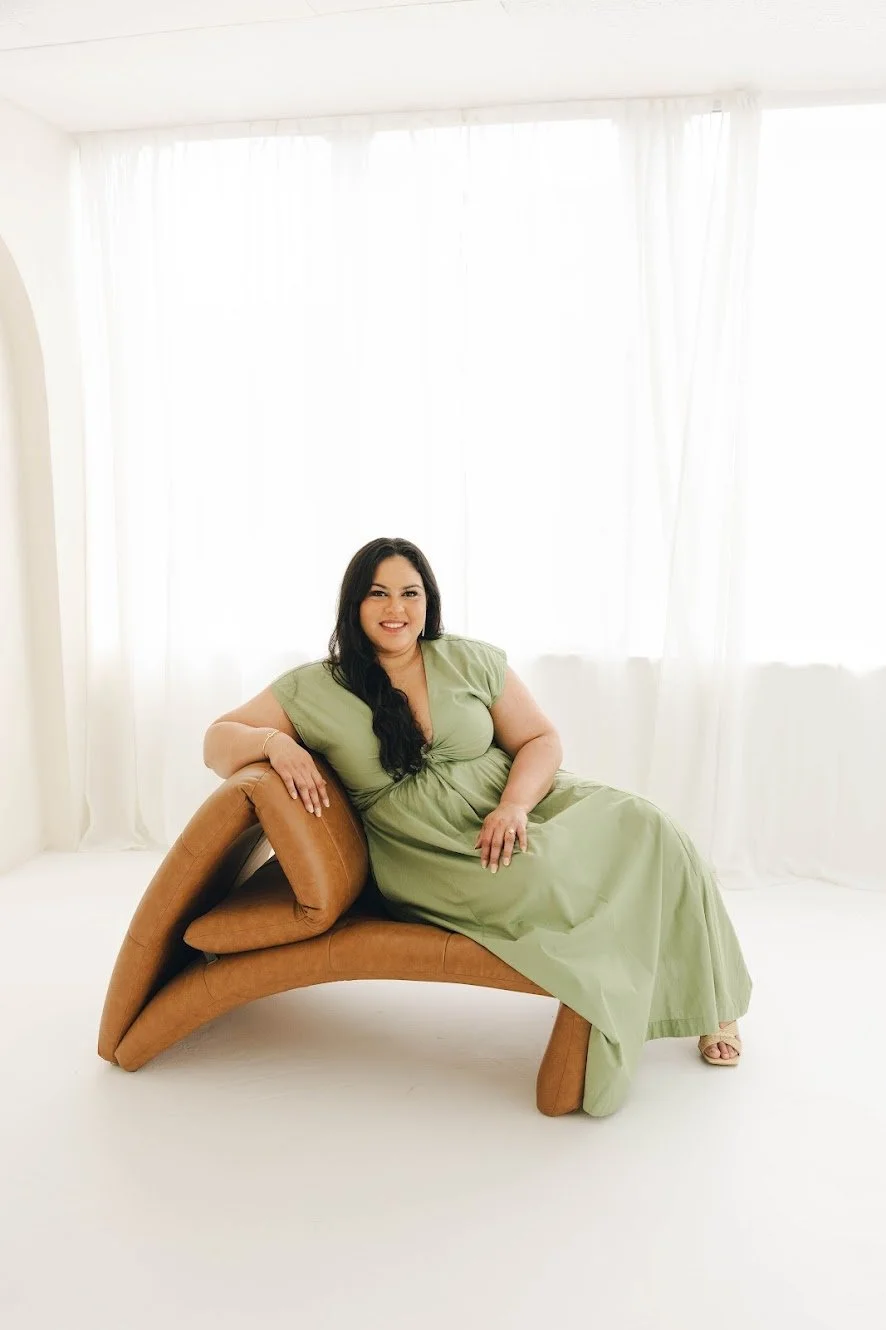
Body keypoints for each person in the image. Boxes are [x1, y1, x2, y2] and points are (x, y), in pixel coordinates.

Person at [203, 537, 751, 1117]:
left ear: (429, 601)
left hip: (519, 803)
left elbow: (540, 739)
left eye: (410, 593)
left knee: (654, 828)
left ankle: (714, 1002)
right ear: (354, 604)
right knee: (550, 879)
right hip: (434, 849)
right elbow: (216, 740)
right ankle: (623, 996)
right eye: (378, 594)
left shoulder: (468, 659)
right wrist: (274, 744)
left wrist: (514, 805)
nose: (396, 608)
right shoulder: (315, 687)